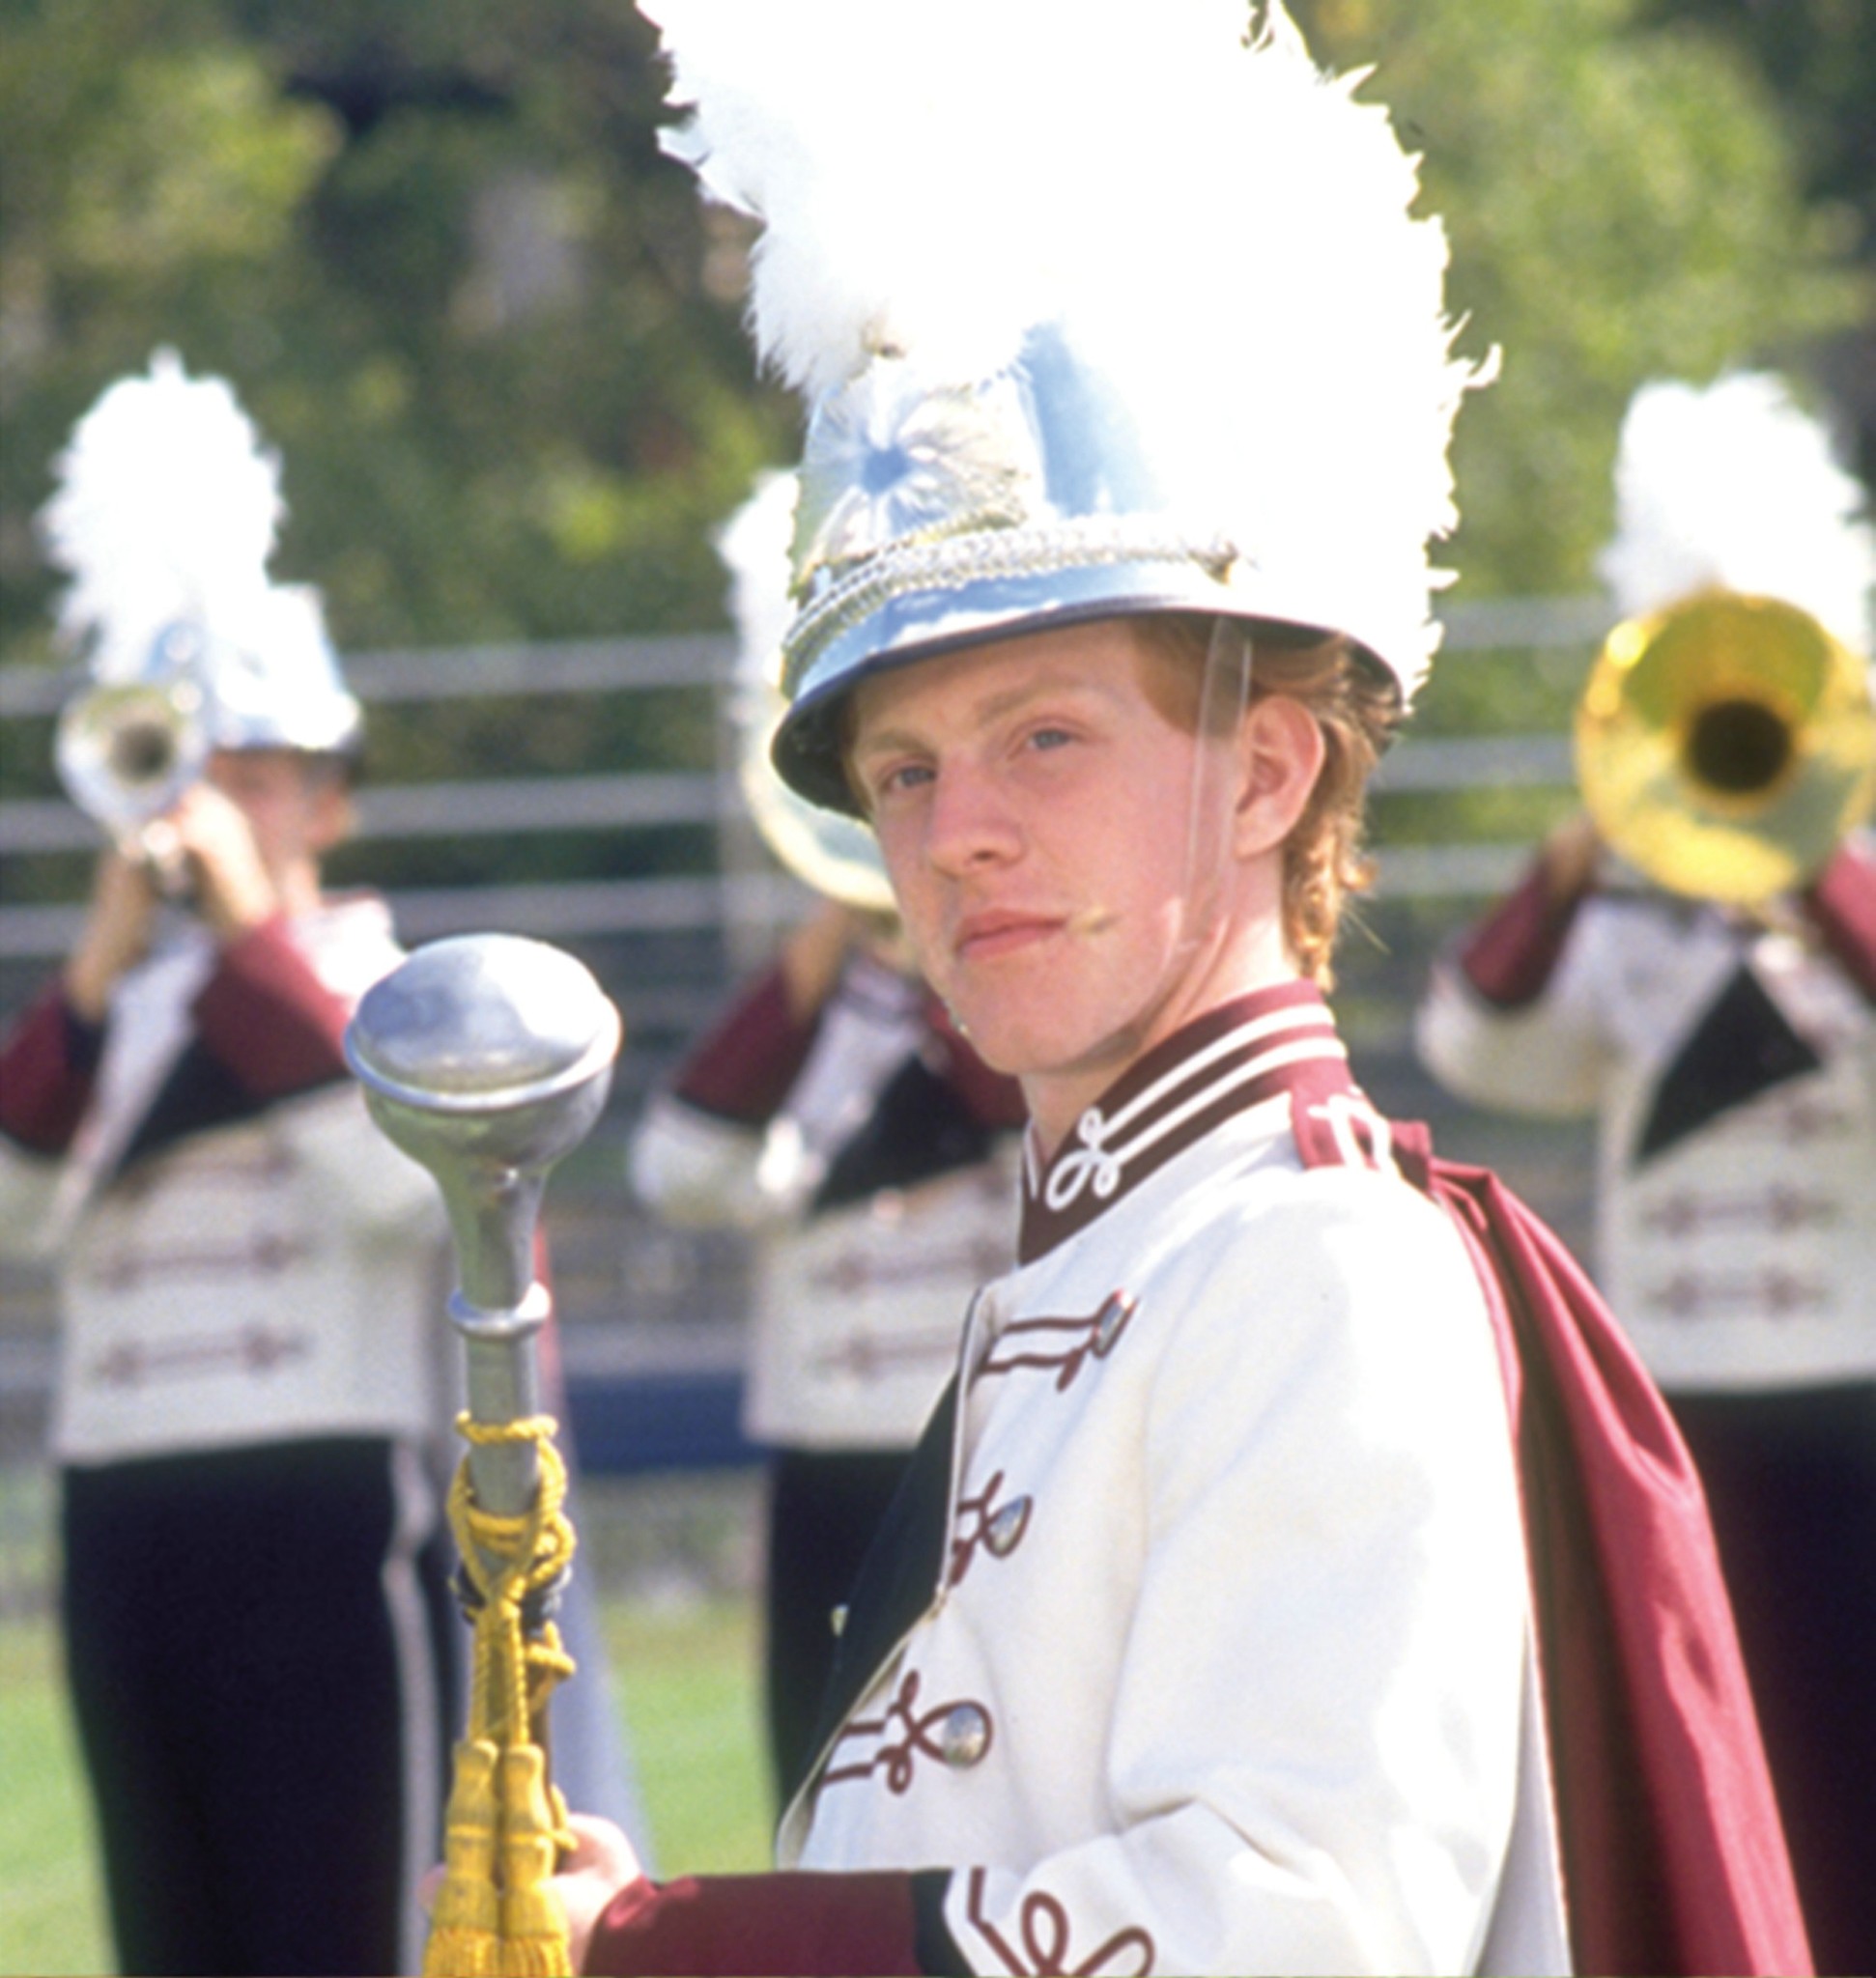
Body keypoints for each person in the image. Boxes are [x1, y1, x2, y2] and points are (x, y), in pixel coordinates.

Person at [531, 4, 1809, 1971]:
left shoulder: (1313, 1267)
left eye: (1043, 737)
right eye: (899, 770)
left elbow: (1289, 1930)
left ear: (1267, 769)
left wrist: (667, 1946)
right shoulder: (1112, 1253)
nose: (953, 832)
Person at [0, 354, 460, 1977]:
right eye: (190, 777)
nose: (211, 812)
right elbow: (19, 1213)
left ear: (328, 796)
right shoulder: (111, 1011)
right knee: (170, 1936)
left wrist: (253, 940)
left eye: (256, 778)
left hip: (318, 1497)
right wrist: (91, 977)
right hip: (124, 1506)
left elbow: (404, 1195)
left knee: (334, 1932)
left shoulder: (383, 978)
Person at [1417, 373, 1876, 1977]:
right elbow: (1476, 1045)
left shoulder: (1858, 913)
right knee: (1714, 1784)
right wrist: (1565, 861)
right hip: (1681, 1399)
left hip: (1849, 1395)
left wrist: (1807, 856)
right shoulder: (1619, 928)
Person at [627, 476, 1027, 1795]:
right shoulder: (809, 1003)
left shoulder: (1004, 992)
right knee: (812, 1797)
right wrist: (809, 966)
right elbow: (680, 1170)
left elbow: (1019, 1128)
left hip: (973, 1460)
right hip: (817, 1462)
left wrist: (939, 957)